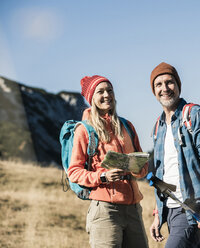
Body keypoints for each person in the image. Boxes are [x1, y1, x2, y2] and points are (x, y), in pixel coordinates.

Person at [68, 75, 148, 248]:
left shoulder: (127, 126)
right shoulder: (84, 130)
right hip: (105, 210)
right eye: (100, 92)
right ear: (92, 99)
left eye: (109, 90)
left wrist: (136, 168)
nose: (106, 95)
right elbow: (73, 172)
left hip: (134, 208)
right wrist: (103, 176)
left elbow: (143, 169)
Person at [149, 62, 200, 248]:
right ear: (153, 91)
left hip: (190, 209)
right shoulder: (158, 126)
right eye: (159, 84)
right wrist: (158, 214)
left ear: (178, 85)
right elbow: (163, 174)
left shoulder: (196, 115)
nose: (165, 88)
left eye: (169, 82)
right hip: (170, 212)